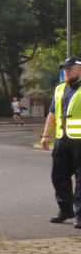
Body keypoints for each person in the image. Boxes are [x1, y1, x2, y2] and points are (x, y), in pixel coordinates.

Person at [40, 57, 81, 229]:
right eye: (65, 68)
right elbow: (51, 114)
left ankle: (80, 215)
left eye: (70, 68)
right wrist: (45, 135)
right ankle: (66, 210)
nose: (66, 71)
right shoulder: (60, 89)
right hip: (62, 140)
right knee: (58, 176)